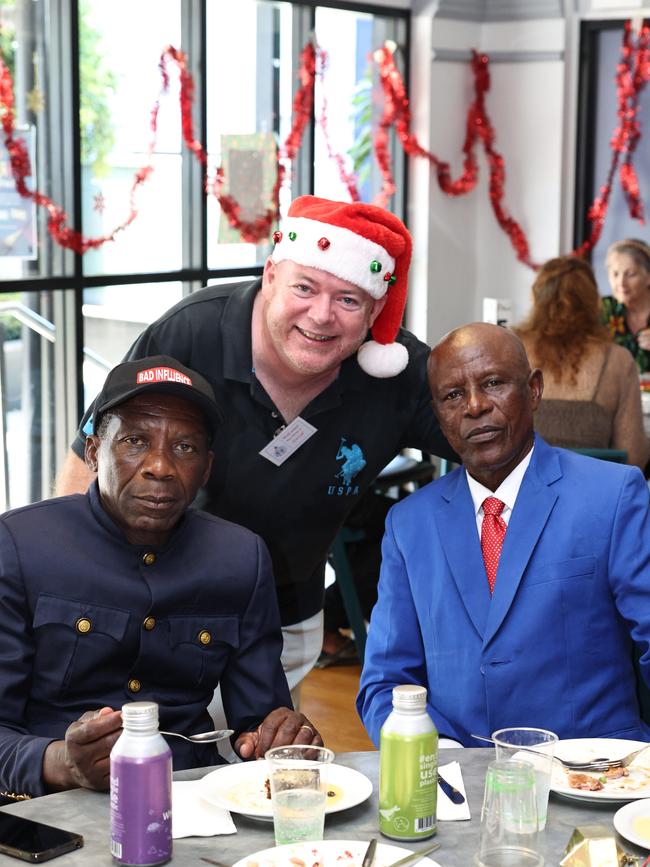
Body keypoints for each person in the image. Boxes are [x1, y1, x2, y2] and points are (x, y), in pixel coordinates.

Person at [55, 196, 455, 702]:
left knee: (255, 768)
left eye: (349, 300)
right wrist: (70, 600)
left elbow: (491, 450)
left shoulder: (397, 373)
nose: (322, 316)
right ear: (270, 276)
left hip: (286, 615)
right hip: (158, 607)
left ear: (375, 310)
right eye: (304, 288)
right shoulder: (191, 332)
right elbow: (90, 459)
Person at [0, 355, 321, 799]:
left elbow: (258, 721)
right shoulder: (19, 546)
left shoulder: (240, 557)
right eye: (135, 441)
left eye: (185, 447)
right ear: (94, 451)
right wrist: (61, 762)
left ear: (206, 468)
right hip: (51, 804)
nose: (160, 466)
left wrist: (281, 735)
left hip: (190, 797)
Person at [358, 322, 650, 747]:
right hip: (457, 779)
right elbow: (385, 683)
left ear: (533, 390)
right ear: (438, 415)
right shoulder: (410, 524)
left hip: (595, 772)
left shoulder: (612, 495)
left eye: (493, 383)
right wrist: (436, 758)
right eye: (453, 395)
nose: (475, 406)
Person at [515, 255, 649, 470]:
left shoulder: (511, 348)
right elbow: (633, 457)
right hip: (591, 499)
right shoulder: (618, 360)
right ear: (594, 302)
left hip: (515, 497)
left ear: (534, 297)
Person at [602, 238, 650, 374]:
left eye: (630, 274)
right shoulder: (604, 309)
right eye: (615, 274)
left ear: (648, 277)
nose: (621, 283)